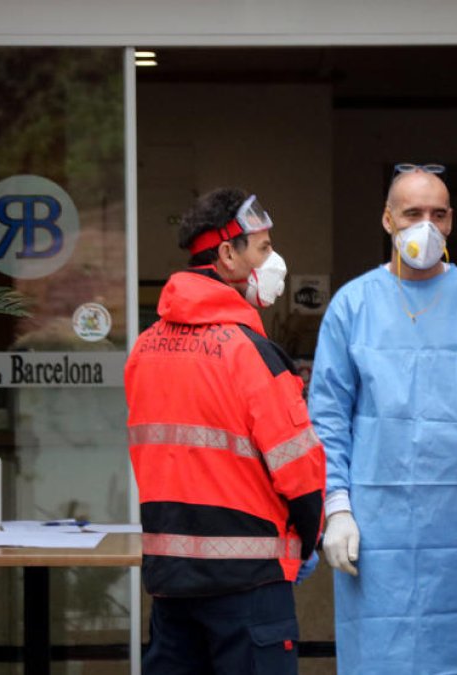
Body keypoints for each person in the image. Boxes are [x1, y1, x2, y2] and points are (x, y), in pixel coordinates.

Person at [309, 164, 457, 674]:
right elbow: (328, 415)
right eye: (412, 213)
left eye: (438, 214)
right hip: (376, 533)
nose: (426, 225)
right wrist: (337, 507)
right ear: (387, 220)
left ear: (450, 223)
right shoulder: (352, 305)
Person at [125, 187, 325, 675]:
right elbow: (299, 470)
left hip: (170, 583)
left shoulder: (144, 348)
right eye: (262, 248)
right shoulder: (252, 353)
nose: (273, 259)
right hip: (251, 588)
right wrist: (309, 538)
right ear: (227, 254)